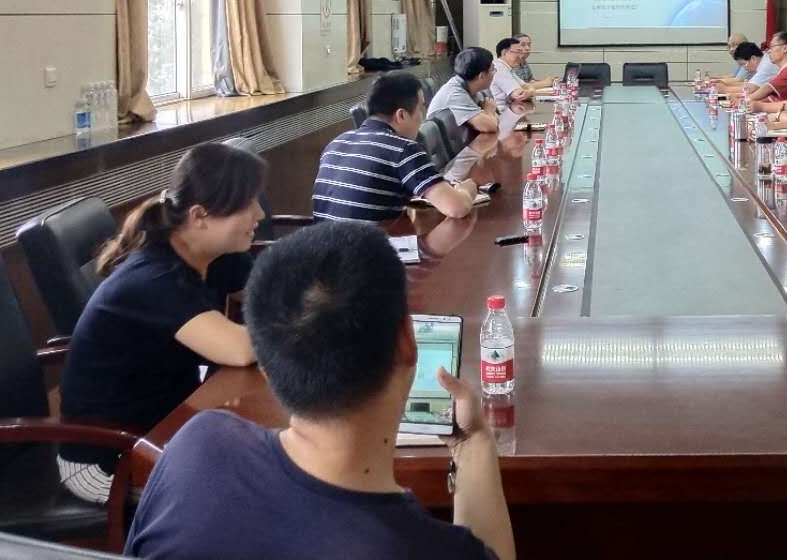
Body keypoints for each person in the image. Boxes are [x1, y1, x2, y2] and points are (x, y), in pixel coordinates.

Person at [127, 221, 514, 560]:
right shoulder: (435, 551)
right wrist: (473, 444)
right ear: (407, 342)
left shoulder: (195, 445)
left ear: (267, 368)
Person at [58, 143, 263, 504]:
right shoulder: (156, 278)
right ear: (200, 215)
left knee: (258, 466)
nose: (259, 213)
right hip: (107, 459)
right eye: (247, 204)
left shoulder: (210, 255)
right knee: (246, 491)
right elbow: (241, 349)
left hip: (164, 426)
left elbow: (271, 289)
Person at [313, 72, 478, 221]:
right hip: (364, 243)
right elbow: (456, 208)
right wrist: (467, 189)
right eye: (421, 107)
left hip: (320, 243)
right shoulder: (403, 149)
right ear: (401, 115)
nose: (422, 117)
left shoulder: (336, 142)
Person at [428, 48, 500, 139]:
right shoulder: (455, 94)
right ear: (481, 76)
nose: (494, 72)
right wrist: (489, 110)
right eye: (492, 69)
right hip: (456, 147)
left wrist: (489, 113)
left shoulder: (471, 87)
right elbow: (490, 126)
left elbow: (496, 119)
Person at [745, 32, 787, 110]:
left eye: (772, 47)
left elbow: (768, 88)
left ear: (785, 48)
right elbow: (772, 97)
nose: (769, 51)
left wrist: (745, 100)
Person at [489, 37, 555, 105]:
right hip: (502, 109)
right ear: (504, 53)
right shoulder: (499, 68)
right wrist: (531, 91)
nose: (520, 56)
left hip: (514, 107)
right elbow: (519, 94)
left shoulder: (507, 68)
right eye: (518, 52)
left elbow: (525, 86)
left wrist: (530, 91)